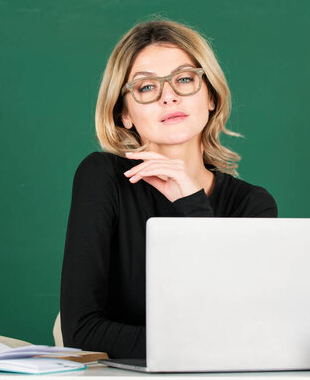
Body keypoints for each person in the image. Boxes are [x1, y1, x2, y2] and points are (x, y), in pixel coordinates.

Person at [60, 18, 278, 359]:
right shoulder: (102, 177)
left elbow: (242, 325)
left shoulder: (252, 204)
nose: (169, 97)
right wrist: (202, 346)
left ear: (211, 97)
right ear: (124, 114)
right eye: (146, 87)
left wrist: (192, 204)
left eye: (185, 79)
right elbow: (81, 330)